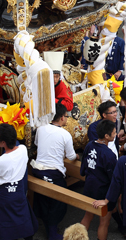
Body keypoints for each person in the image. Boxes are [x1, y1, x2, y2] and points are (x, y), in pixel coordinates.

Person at [31, 103, 78, 240]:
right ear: (62, 117)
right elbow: (71, 156)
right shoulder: (65, 134)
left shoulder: (41, 129)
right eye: (67, 116)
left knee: (44, 201)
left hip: (38, 171)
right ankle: (52, 233)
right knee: (58, 203)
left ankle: (48, 228)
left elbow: (37, 144)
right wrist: (77, 156)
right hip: (54, 173)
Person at [0, 124, 38, 240]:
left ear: (3, 142)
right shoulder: (22, 149)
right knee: (23, 220)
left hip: (5, 195)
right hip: (19, 191)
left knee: (7, 228)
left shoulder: (0, 161)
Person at [80, 120, 116, 240]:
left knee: (88, 216)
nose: (115, 134)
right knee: (104, 222)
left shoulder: (89, 145)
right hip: (103, 191)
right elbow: (113, 179)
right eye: (114, 132)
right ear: (106, 136)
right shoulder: (109, 155)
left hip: (89, 187)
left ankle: (78, 238)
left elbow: (83, 168)